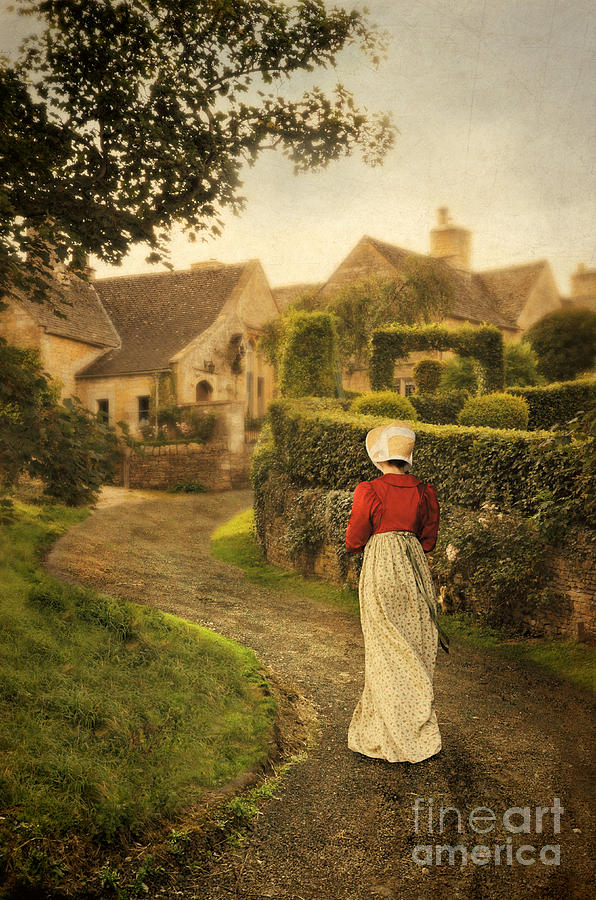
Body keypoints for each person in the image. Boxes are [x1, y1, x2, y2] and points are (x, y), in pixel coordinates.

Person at [345, 420, 448, 764]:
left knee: (385, 649)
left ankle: (388, 733)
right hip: (414, 570)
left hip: (382, 569)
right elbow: (429, 540)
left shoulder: (369, 490)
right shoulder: (424, 491)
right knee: (414, 645)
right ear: (408, 458)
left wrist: (379, 540)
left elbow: (355, 539)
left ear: (378, 458)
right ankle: (414, 728)